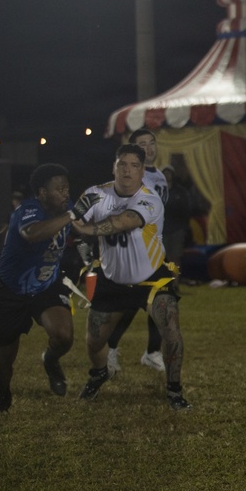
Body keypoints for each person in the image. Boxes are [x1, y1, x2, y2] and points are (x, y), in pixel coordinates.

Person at [70, 144, 191, 410]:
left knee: (171, 331)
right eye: (122, 164)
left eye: (134, 166)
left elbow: (125, 221)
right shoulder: (95, 193)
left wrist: (87, 228)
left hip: (151, 279)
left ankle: (174, 390)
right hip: (112, 279)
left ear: (141, 172)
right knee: (93, 340)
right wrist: (71, 219)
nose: (127, 170)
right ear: (113, 167)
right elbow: (73, 217)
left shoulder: (150, 198)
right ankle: (100, 372)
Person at [0, 164, 100, 416]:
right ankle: (3, 395)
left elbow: (78, 234)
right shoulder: (28, 209)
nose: (65, 193)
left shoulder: (66, 208)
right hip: (11, 291)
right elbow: (32, 234)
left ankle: (50, 359)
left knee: (64, 336)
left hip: (46, 284)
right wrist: (71, 216)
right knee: (3, 361)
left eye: (66, 188)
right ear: (41, 193)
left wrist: (88, 258)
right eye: (58, 189)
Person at [104, 128, 167, 374]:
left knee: (160, 300)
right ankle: (110, 349)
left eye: (152, 143)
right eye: (142, 144)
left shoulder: (159, 175)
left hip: (153, 249)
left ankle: (152, 352)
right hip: (133, 249)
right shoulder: (132, 176)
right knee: (129, 306)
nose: (149, 148)